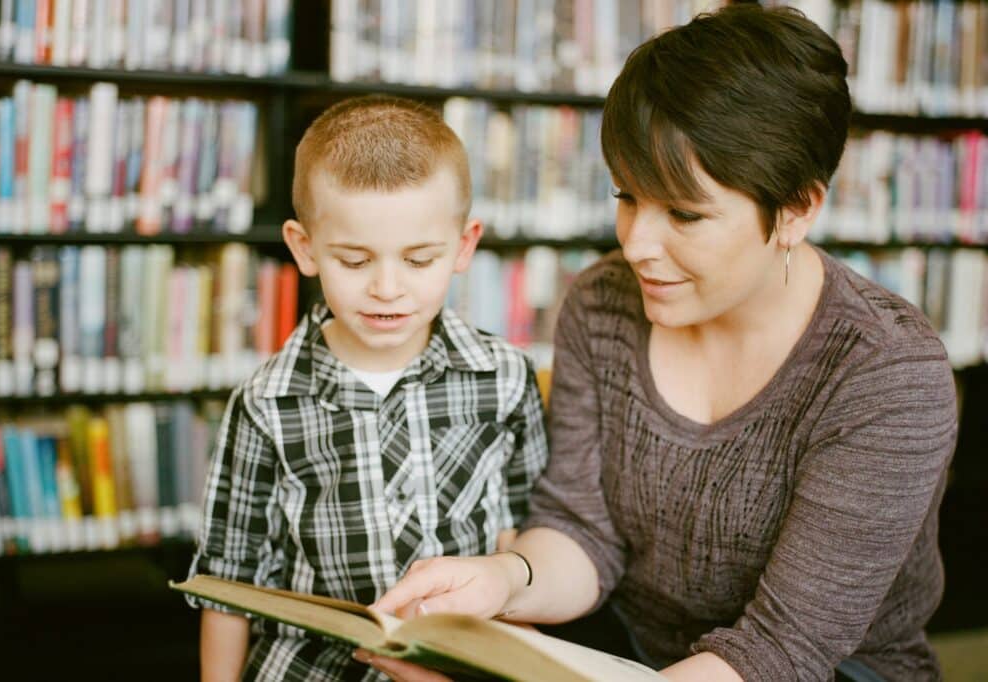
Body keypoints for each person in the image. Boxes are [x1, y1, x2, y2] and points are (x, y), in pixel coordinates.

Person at [363, 5, 957, 682]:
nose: (637, 244)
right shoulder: (602, 303)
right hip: (629, 655)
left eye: (683, 213)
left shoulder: (886, 372)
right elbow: (582, 531)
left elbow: (782, 650)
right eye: (627, 197)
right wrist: (503, 579)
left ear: (796, 210)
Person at [186, 95, 549, 681]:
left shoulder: (505, 376)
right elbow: (228, 581)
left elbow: (525, 532)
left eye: (418, 260)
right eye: (355, 261)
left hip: (459, 667)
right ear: (305, 248)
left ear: (463, 246)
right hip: (311, 669)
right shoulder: (265, 403)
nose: (387, 288)